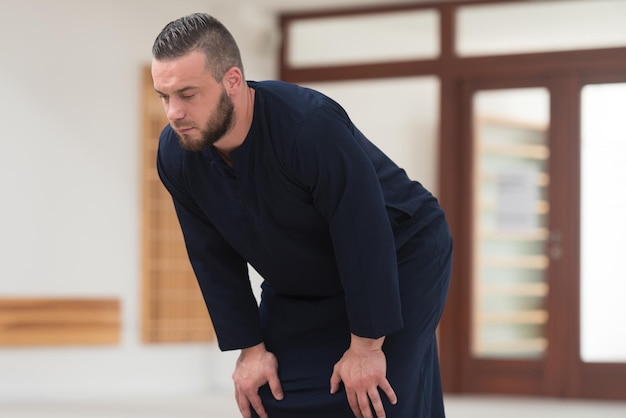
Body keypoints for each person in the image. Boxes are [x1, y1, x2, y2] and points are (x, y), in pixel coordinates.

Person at [151, 13, 452, 418]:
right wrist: (250, 349)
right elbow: (210, 255)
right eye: (164, 97)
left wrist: (366, 347)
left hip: (399, 253)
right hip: (303, 273)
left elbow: (361, 231)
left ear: (233, 82)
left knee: (377, 399)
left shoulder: (308, 126)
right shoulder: (176, 154)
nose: (174, 113)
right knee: (272, 399)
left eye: (188, 94)